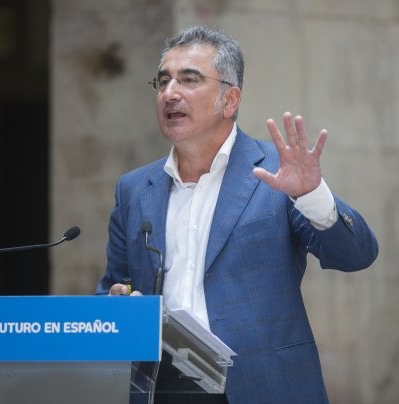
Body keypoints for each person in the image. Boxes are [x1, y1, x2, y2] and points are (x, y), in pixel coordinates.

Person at [95, 25, 379, 404]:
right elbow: (114, 285)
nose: (169, 93)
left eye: (189, 79)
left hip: (263, 386)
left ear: (230, 100)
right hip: (161, 389)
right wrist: (116, 300)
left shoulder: (278, 173)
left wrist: (312, 193)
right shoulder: (133, 189)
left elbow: (356, 255)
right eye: (162, 81)